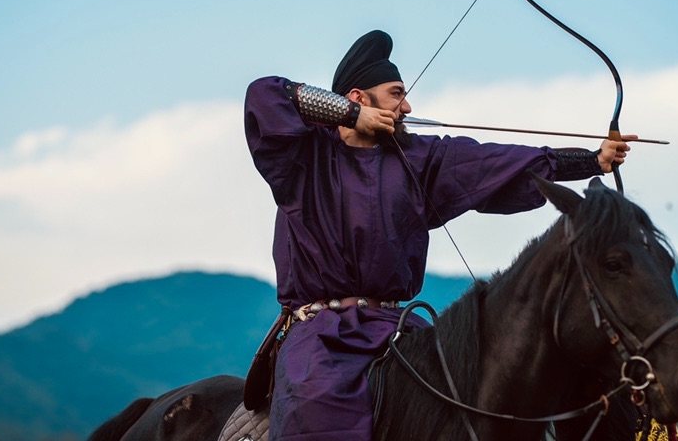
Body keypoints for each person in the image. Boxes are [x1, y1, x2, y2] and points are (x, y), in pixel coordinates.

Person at [244, 29, 634, 440]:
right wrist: (347, 116)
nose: (407, 105)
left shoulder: (417, 159)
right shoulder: (303, 157)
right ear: (358, 98)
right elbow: (265, 95)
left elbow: (493, 163)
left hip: (394, 333)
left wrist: (591, 160)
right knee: (318, 419)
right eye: (396, 93)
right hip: (321, 344)